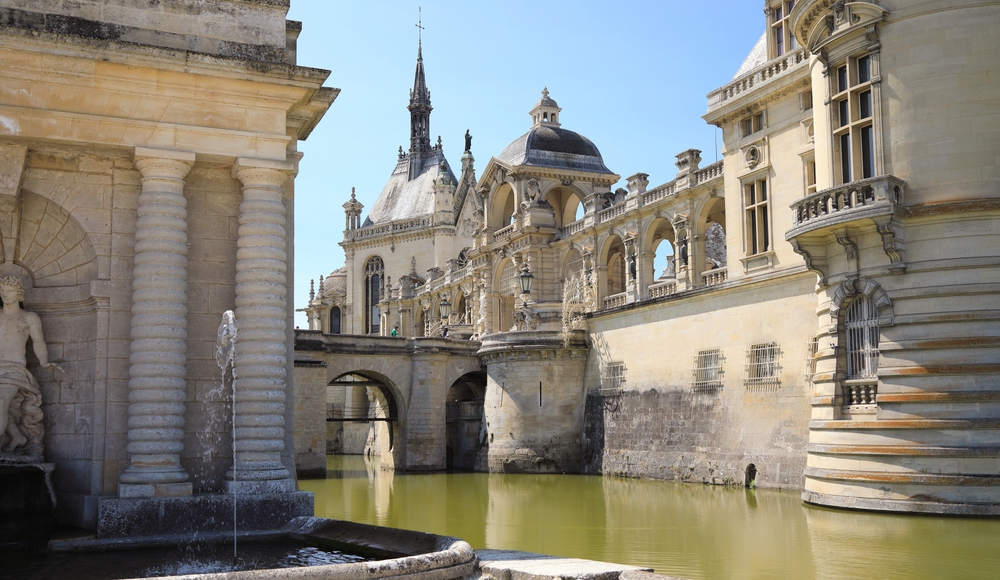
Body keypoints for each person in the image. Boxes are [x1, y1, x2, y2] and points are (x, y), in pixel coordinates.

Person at [0, 276, 58, 457]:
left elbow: (38, 342)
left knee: (1, 402)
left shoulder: (28, 318)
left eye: (10, 291)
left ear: (19, 293)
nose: (5, 294)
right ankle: (17, 437)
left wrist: (44, 361)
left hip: (14, 369)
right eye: (2, 291)